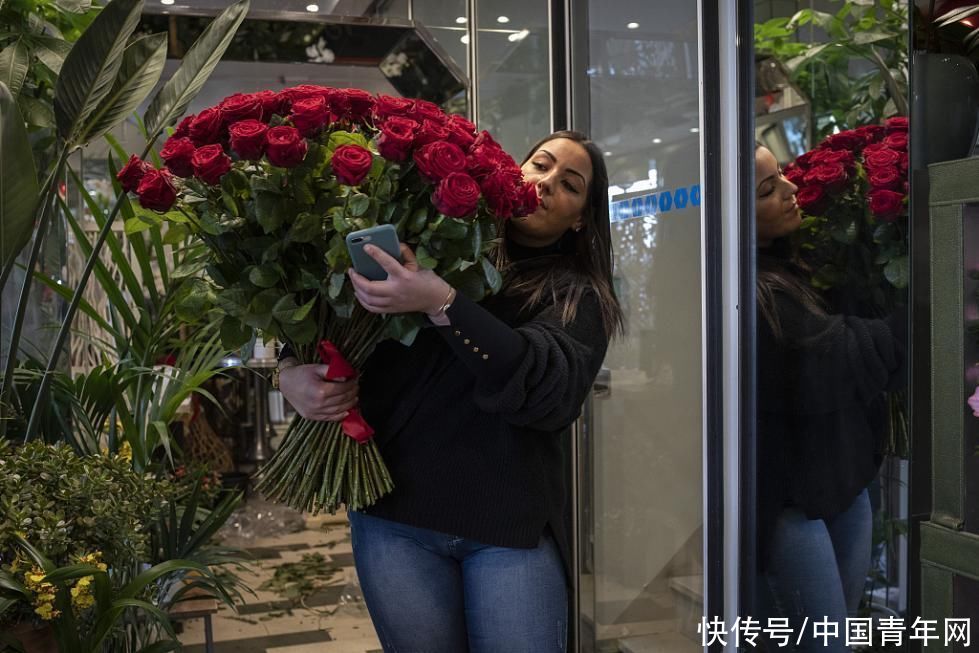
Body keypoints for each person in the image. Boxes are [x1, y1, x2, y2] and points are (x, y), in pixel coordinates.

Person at [277, 130, 623, 652]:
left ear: (580, 217)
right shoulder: (438, 242)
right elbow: (329, 314)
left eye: (570, 185)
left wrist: (441, 302)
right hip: (395, 517)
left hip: (509, 528)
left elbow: (541, 388)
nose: (547, 183)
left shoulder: (578, 297)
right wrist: (290, 371)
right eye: (541, 165)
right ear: (514, 170)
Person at [753, 145, 906, 652]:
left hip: (841, 485)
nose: (792, 190)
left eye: (781, 177)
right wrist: (926, 308)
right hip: (787, 502)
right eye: (767, 189)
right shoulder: (745, 291)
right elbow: (830, 359)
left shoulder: (790, 265)